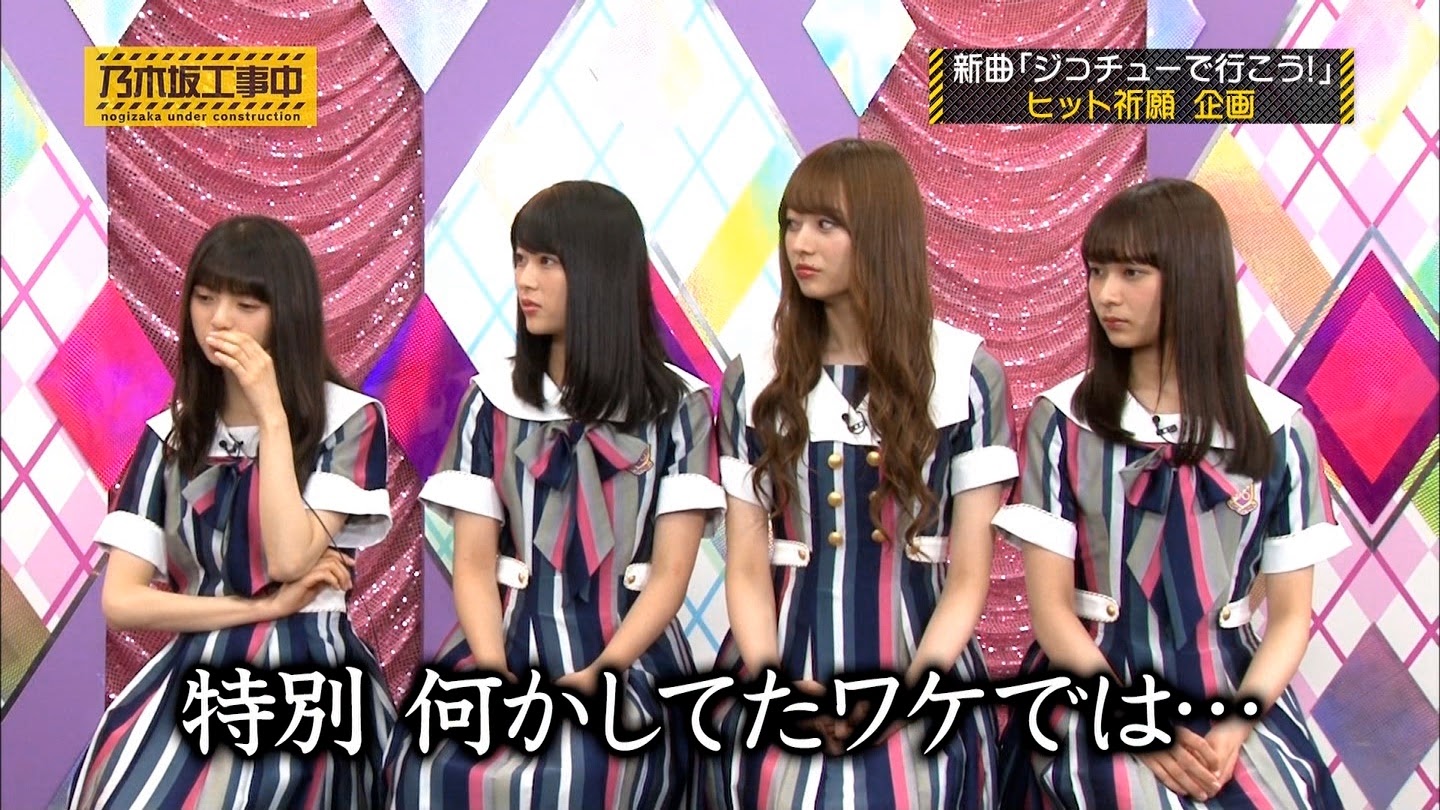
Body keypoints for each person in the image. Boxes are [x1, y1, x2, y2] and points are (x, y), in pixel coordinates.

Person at [993, 178, 1346, 808]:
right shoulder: (1063, 422)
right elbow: (1051, 612)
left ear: (1192, 278)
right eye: (1098, 271)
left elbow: (1291, 617)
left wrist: (1236, 726)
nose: (1106, 294)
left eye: (1132, 273)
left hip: (1232, 694)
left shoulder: (1279, 431)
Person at [384, 180, 724, 808]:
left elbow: (672, 574)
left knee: (584, 774)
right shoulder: (491, 403)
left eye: (546, 261)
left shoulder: (681, 408)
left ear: (601, 272)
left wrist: (601, 676)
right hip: (503, 646)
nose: (525, 280)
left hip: (627, 657)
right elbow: (473, 567)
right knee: (430, 764)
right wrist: (494, 680)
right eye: (520, 259)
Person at [708, 138, 1014, 809]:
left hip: (922, 663)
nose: (801, 244)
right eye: (792, 223)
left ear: (880, 233)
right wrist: (776, 689)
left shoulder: (967, 375)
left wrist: (907, 697)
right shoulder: (753, 376)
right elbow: (747, 568)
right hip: (781, 660)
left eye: (827, 224)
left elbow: (969, 577)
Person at [68, 215, 397, 809]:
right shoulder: (169, 435)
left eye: (246, 305)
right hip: (197, 673)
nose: (219, 320)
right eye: (204, 298)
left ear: (287, 315)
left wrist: (271, 413)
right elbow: (122, 600)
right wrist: (258, 608)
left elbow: (291, 557)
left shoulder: (349, 420)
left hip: (306, 677)